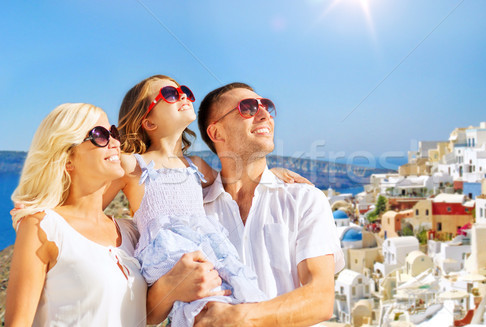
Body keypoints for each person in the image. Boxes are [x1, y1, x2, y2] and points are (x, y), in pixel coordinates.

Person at [105, 75, 307, 325]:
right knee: (204, 306)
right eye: (169, 94)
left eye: (185, 91)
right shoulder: (132, 165)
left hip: (206, 248)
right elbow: (91, 203)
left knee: (233, 297)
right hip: (169, 254)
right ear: (148, 121)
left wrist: (270, 174)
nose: (183, 96)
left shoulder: (196, 165)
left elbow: (234, 180)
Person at [190, 82, 345, 326]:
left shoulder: (305, 200)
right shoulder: (193, 211)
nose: (264, 115)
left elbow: (320, 298)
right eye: (248, 108)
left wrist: (240, 317)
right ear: (216, 133)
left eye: (267, 106)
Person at [5, 103, 146, 326]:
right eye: (100, 135)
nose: (116, 142)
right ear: (67, 159)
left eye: (114, 133)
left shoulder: (131, 232)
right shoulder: (42, 227)